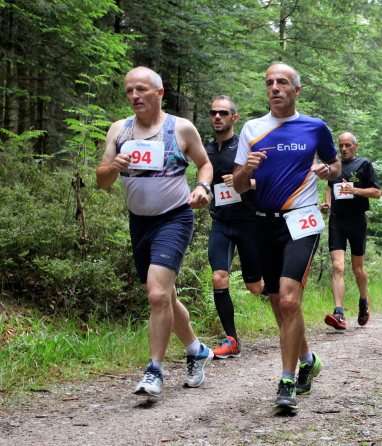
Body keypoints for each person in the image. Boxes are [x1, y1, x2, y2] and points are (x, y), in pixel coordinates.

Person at [96, 67, 214, 397]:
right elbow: (102, 179)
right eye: (129, 91)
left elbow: (205, 164)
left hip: (174, 218)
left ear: (159, 93)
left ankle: (154, 371)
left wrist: (202, 186)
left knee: (158, 294)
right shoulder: (119, 130)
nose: (134, 96)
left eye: (141, 89)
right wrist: (113, 167)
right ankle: (197, 351)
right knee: (166, 296)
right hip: (139, 223)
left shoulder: (181, 128)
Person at [233, 62, 341, 411]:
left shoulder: (315, 126)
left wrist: (327, 170)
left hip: (302, 219)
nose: (274, 88)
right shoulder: (252, 128)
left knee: (291, 300)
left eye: (282, 82)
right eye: (269, 83)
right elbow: (238, 185)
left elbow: (335, 166)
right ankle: (308, 359)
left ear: (297, 90)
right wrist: (247, 169)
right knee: (279, 302)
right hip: (264, 222)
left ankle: (286, 380)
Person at [205, 95, 265, 359]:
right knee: (219, 277)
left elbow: (266, 181)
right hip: (221, 222)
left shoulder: (245, 147)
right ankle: (231, 340)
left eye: (223, 113)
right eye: (213, 113)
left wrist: (244, 182)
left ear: (234, 118)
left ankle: (281, 292)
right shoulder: (206, 150)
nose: (217, 117)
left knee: (256, 287)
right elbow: (207, 184)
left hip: (249, 222)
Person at [319, 133, 381, 330]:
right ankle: (339, 313)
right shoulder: (334, 166)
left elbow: (377, 192)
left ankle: (363, 301)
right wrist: (327, 204)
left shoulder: (364, 164)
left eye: (347, 145)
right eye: (341, 146)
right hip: (337, 221)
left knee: (357, 270)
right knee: (338, 266)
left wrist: (355, 191)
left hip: (357, 221)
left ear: (356, 145)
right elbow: (330, 187)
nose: (344, 149)